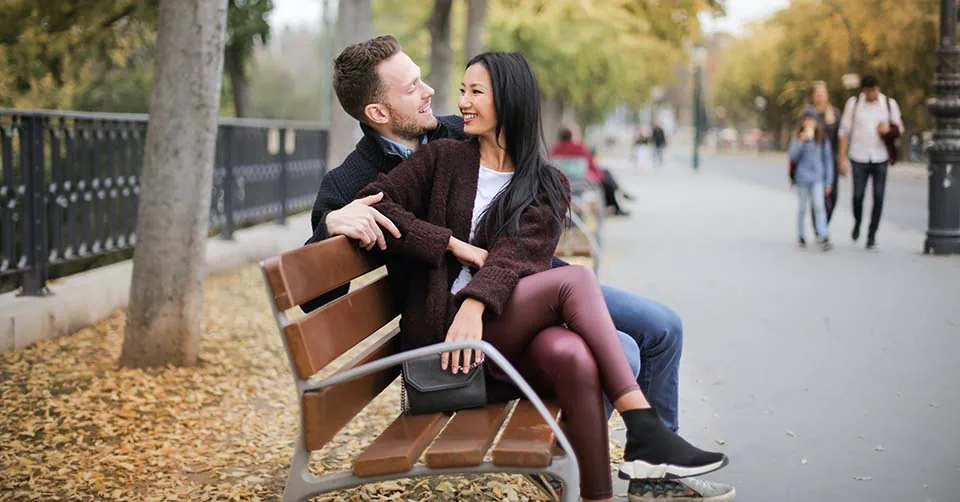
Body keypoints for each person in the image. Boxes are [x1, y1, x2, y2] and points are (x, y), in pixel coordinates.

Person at [305, 36, 736, 502]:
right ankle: (598, 452)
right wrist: (333, 222)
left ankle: (653, 472)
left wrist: (478, 281)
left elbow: (524, 203)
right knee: (622, 350)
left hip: (527, 281)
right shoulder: (354, 180)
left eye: (428, 80)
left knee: (662, 327)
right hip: (469, 317)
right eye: (412, 87)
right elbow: (316, 288)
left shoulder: (454, 131)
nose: (434, 92)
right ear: (379, 113)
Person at [838, 74, 903, 249]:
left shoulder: (889, 104)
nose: (872, 93)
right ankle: (858, 221)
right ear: (864, 91)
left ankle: (872, 234)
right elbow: (844, 131)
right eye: (869, 91)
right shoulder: (854, 104)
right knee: (857, 196)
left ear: (878, 88)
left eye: (875, 90)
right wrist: (841, 158)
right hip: (858, 156)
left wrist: (887, 130)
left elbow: (899, 128)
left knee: (879, 197)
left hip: (880, 157)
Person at [551, 125, 632, 216]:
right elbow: (591, 165)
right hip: (582, 180)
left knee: (607, 176)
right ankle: (618, 197)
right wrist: (598, 175)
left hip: (564, 180)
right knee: (606, 177)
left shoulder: (555, 149)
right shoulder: (579, 147)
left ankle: (619, 195)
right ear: (572, 136)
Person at [789, 108, 834, 251]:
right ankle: (801, 235)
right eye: (806, 119)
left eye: (812, 119)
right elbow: (793, 157)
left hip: (817, 178)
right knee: (802, 208)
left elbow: (827, 161)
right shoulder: (798, 138)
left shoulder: (821, 139)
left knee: (819, 206)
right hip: (802, 178)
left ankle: (822, 235)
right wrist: (802, 142)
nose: (809, 122)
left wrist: (829, 181)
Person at [810, 81, 841, 223]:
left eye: (823, 94)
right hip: (814, 159)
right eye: (817, 94)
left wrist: (842, 158)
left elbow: (841, 137)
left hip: (831, 160)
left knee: (833, 195)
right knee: (816, 195)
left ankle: (824, 223)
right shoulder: (810, 115)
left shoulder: (834, 114)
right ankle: (819, 228)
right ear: (813, 96)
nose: (820, 97)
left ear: (827, 95)